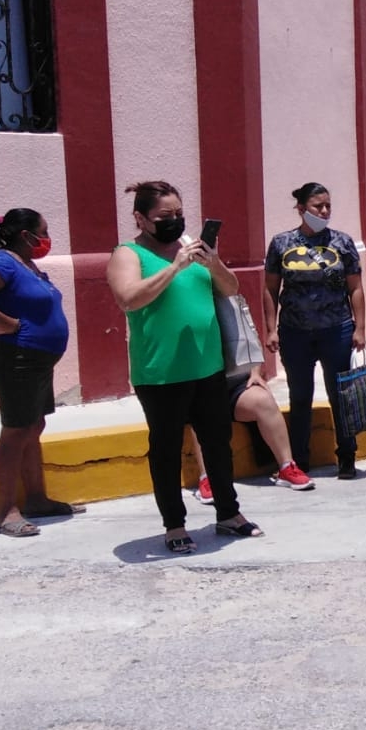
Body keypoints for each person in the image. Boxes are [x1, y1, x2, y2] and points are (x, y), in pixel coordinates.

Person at [107, 180, 262, 553]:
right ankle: (174, 524)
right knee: (165, 448)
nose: (175, 221)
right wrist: (175, 267)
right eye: (165, 216)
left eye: (179, 213)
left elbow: (230, 287)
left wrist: (214, 262)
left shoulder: (192, 246)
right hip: (160, 372)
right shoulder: (128, 254)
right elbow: (129, 299)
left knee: (217, 443)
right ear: (141, 218)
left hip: (206, 367)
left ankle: (229, 513)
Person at [0, 208, 79, 537]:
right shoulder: (3, 263)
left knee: (34, 425)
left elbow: (19, 305)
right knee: (16, 431)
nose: (47, 238)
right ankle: (7, 511)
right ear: (26, 235)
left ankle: (37, 499)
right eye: (44, 231)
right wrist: (9, 326)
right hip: (16, 360)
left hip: (36, 359)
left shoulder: (28, 266)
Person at [264, 182, 366, 480]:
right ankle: (299, 459)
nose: (323, 211)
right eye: (317, 206)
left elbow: (356, 288)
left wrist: (360, 328)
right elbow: (270, 289)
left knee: (340, 395)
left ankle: (347, 456)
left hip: (336, 330)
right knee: (300, 396)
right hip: (295, 332)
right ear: (301, 209)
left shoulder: (342, 242)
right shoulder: (281, 244)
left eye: (327, 206)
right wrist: (272, 329)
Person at [191, 360, 315, 505]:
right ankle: (207, 478)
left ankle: (287, 467)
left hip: (234, 384)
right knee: (200, 411)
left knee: (264, 400)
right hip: (199, 385)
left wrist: (255, 372)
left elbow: (251, 340)